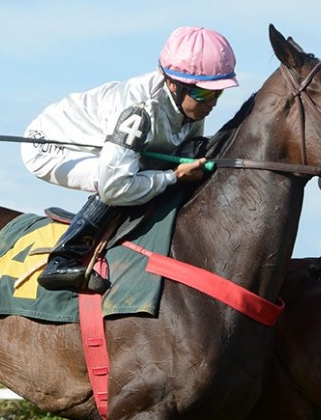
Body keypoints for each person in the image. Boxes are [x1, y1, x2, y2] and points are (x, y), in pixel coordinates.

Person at [22, 26, 238, 293]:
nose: (213, 101)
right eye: (205, 93)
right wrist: (173, 176)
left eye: (219, 92)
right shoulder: (138, 111)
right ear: (174, 84)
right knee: (118, 183)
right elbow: (115, 187)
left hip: (111, 145)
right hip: (53, 145)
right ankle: (62, 259)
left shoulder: (188, 105)